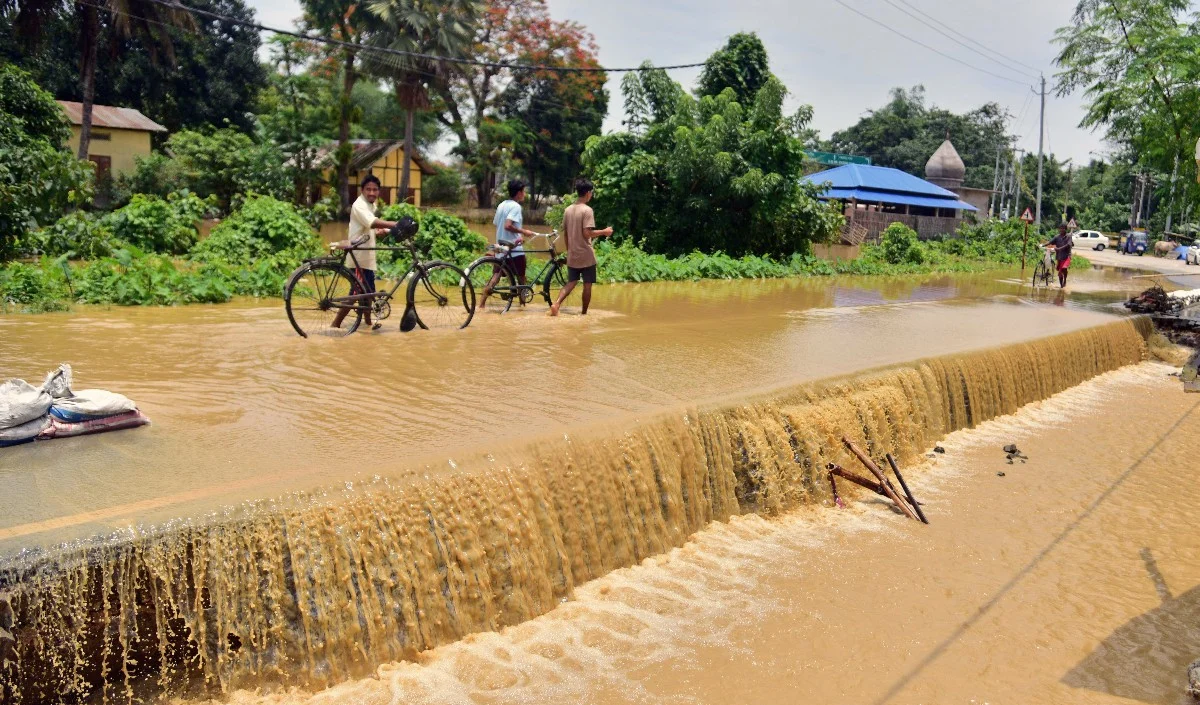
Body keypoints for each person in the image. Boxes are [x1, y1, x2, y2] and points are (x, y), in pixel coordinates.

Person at [333, 174, 398, 330]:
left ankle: (368, 323)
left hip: (366, 257)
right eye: (368, 189)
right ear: (362, 190)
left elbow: (366, 227)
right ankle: (335, 324)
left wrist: (379, 231)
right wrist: (395, 224)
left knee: (368, 292)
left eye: (375, 190)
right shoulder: (359, 205)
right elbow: (372, 222)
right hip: (359, 256)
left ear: (379, 192)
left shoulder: (370, 206)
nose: (372, 193)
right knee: (356, 292)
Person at [550, 178, 612, 316]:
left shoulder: (568, 210)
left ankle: (556, 304)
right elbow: (587, 233)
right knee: (587, 284)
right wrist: (604, 232)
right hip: (586, 255)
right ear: (588, 193)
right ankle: (584, 313)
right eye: (591, 193)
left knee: (571, 282)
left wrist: (569, 250)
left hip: (573, 252)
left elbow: (565, 234)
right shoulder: (587, 210)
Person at [480, 179, 541, 310]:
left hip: (501, 247)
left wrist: (517, 236)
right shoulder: (516, 206)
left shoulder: (502, 204)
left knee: (495, 276)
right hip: (514, 249)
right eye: (523, 191)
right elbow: (508, 225)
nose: (524, 194)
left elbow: (498, 224)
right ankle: (522, 305)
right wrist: (523, 231)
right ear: (519, 193)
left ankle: (481, 305)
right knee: (522, 279)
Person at [1043, 223, 1073, 289]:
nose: (1062, 229)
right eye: (1061, 228)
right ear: (1059, 229)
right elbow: (1050, 242)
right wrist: (1043, 245)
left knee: (1064, 268)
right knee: (1060, 273)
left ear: (1066, 229)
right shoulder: (1057, 237)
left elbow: (1068, 245)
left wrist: (1059, 248)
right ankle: (1061, 286)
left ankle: (1065, 280)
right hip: (1059, 257)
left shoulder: (1069, 236)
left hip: (1066, 256)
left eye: (1063, 228)